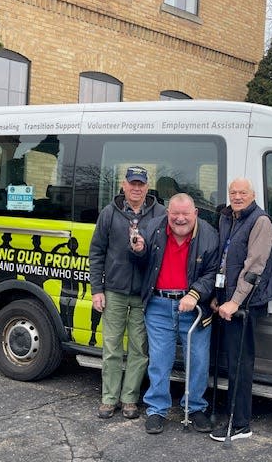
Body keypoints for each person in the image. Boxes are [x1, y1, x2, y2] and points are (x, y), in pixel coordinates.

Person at [131, 193, 219, 434]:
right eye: (175, 213)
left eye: (185, 214)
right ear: (167, 213)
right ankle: (156, 410)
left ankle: (195, 408)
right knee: (159, 361)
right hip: (159, 305)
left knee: (199, 361)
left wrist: (195, 294)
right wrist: (138, 250)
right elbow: (141, 260)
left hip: (195, 307)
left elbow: (212, 273)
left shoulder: (209, 235)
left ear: (195, 214)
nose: (180, 219)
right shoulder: (152, 228)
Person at [89, 165, 166, 420]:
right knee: (111, 347)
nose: (136, 188)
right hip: (114, 291)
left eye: (141, 184)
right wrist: (97, 290)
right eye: (132, 183)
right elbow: (97, 252)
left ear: (147, 187)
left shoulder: (160, 214)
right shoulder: (109, 213)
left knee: (139, 350)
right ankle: (109, 398)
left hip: (144, 294)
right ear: (124, 185)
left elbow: (162, 255)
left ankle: (129, 399)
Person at [209, 177, 272, 442]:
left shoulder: (260, 221)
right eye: (233, 192)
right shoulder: (228, 217)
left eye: (242, 192)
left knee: (240, 363)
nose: (237, 196)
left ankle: (239, 425)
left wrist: (235, 301)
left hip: (245, 304)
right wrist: (218, 296)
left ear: (253, 195)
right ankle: (227, 414)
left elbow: (254, 266)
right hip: (227, 298)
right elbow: (224, 259)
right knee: (228, 361)